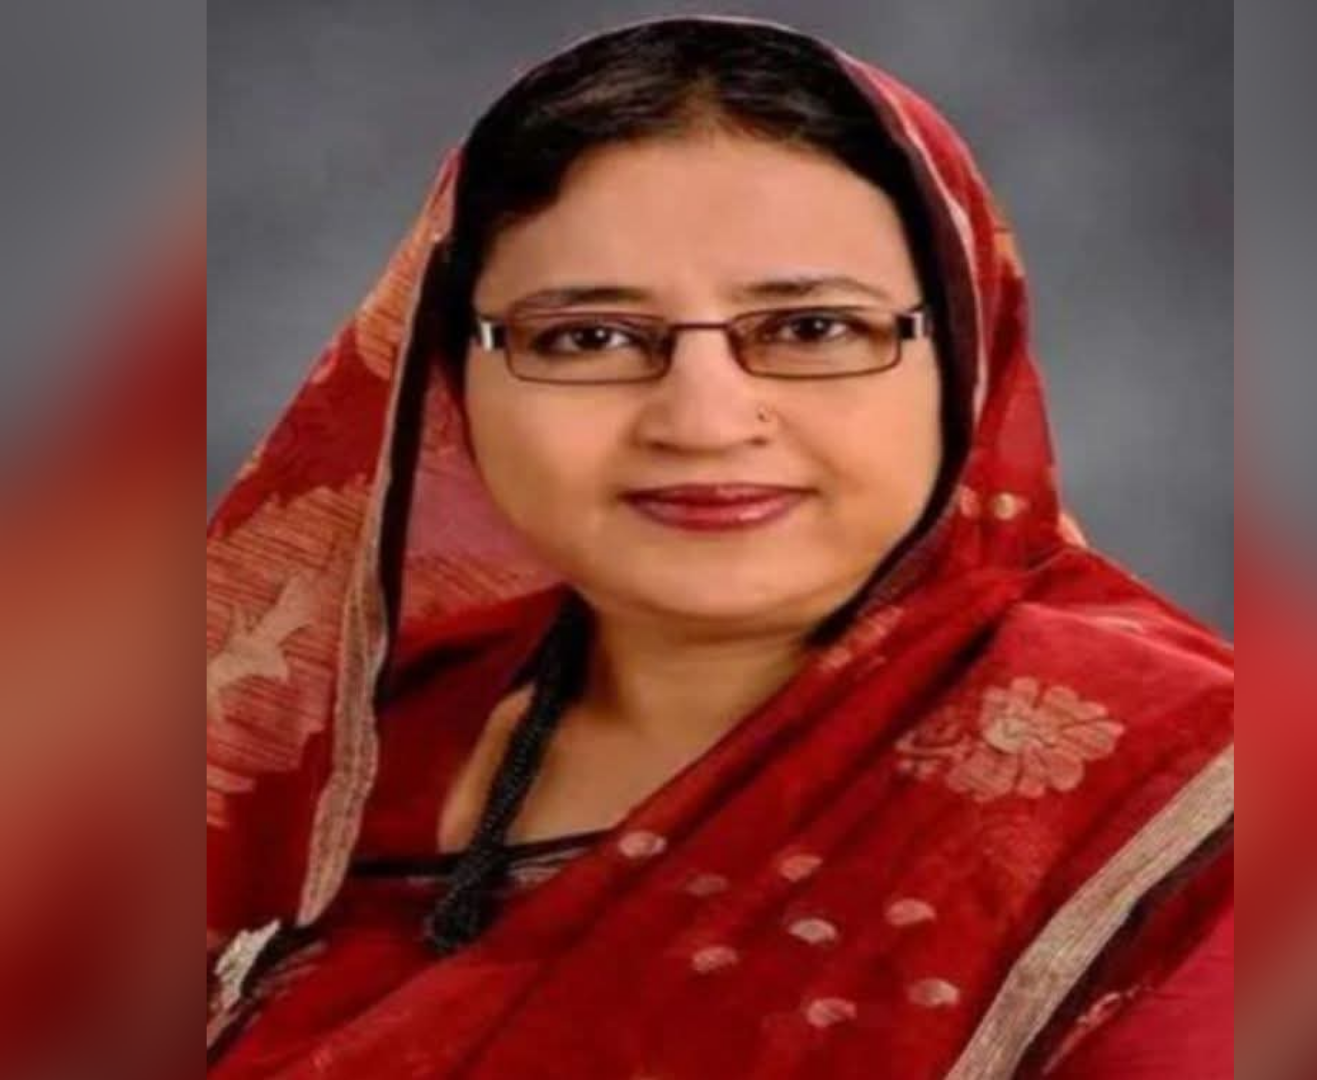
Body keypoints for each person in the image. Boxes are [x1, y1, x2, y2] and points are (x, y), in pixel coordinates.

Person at [206, 16, 1233, 1078]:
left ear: (967, 357)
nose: (701, 421)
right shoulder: (315, 755)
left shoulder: (1208, 809)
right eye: (588, 338)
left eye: (812, 329)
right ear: (452, 381)